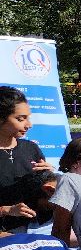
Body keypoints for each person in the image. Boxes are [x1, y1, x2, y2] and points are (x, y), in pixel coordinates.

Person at [0, 87, 56, 232]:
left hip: (40, 226)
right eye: (20, 119)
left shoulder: (31, 148)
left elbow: (42, 196)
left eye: (28, 118)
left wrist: (50, 179)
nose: (29, 125)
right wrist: (6, 210)